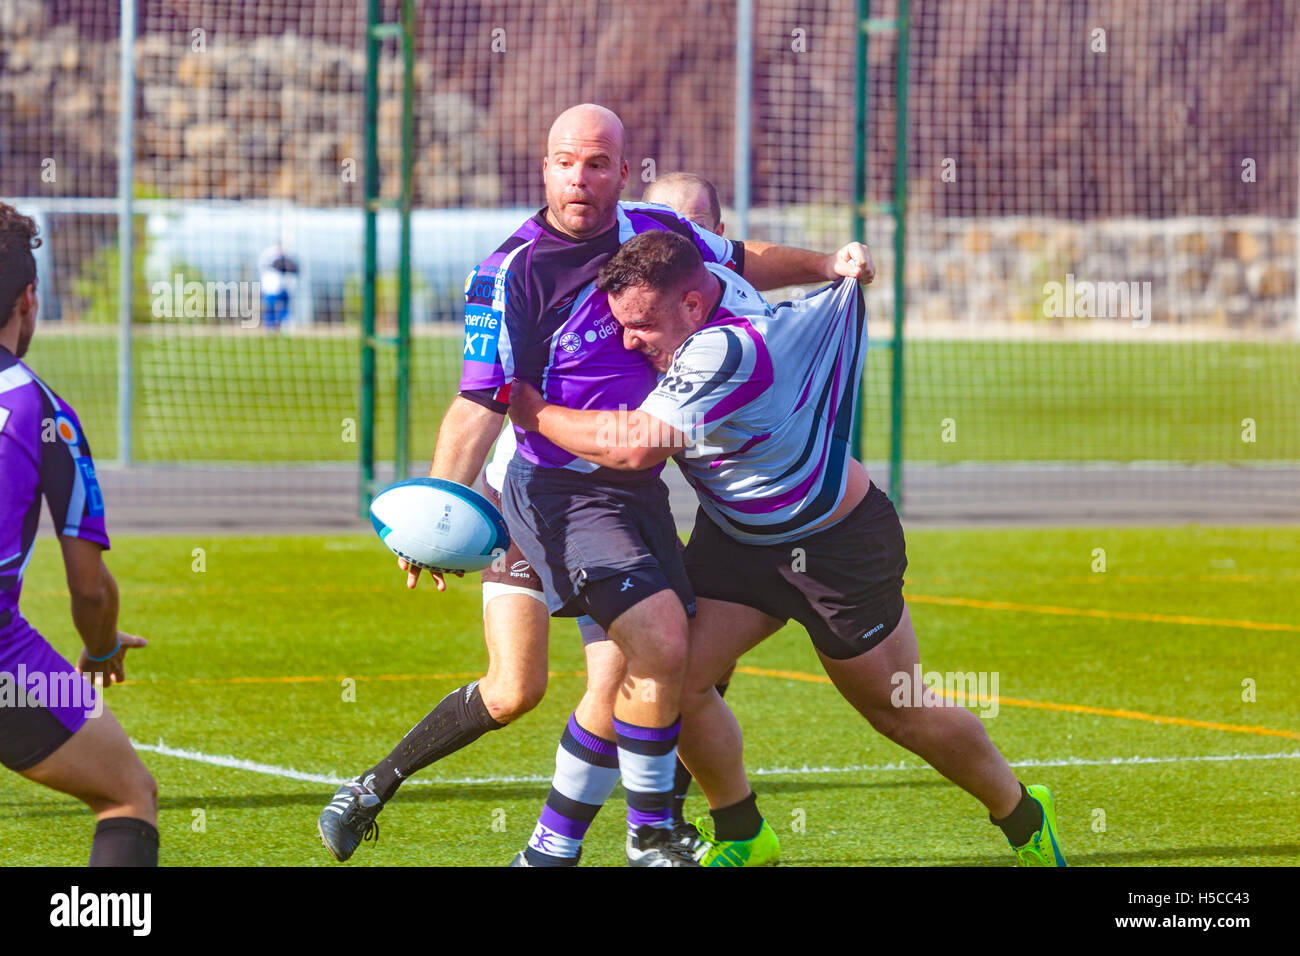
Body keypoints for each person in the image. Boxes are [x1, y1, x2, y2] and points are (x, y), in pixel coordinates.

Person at [317, 103, 870, 867]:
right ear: (544, 166)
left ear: (620, 170)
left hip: (626, 493)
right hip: (546, 492)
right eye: (565, 161)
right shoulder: (508, 272)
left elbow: (742, 256)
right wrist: (438, 511)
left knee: (584, 681)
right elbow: (479, 402)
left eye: (598, 163)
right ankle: (646, 836)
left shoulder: (654, 230)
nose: (580, 178)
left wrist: (830, 265)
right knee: (636, 653)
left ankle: (553, 850)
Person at [509, 229, 1067, 867]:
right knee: (676, 679)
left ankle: (1023, 814)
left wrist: (532, 410)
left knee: (900, 711)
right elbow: (730, 248)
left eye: (642, 325)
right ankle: (745, 834)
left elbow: (636, 443)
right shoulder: (708, 286)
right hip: (738, 542)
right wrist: (833, 261)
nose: (630, 341)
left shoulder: (725, 347)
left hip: (835, 546)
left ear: (693, 305)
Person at [0, 203, 159, 867]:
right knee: (128, 795)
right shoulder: (43, 414)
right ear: (28, 298)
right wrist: (99, 647)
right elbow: (87, 589)